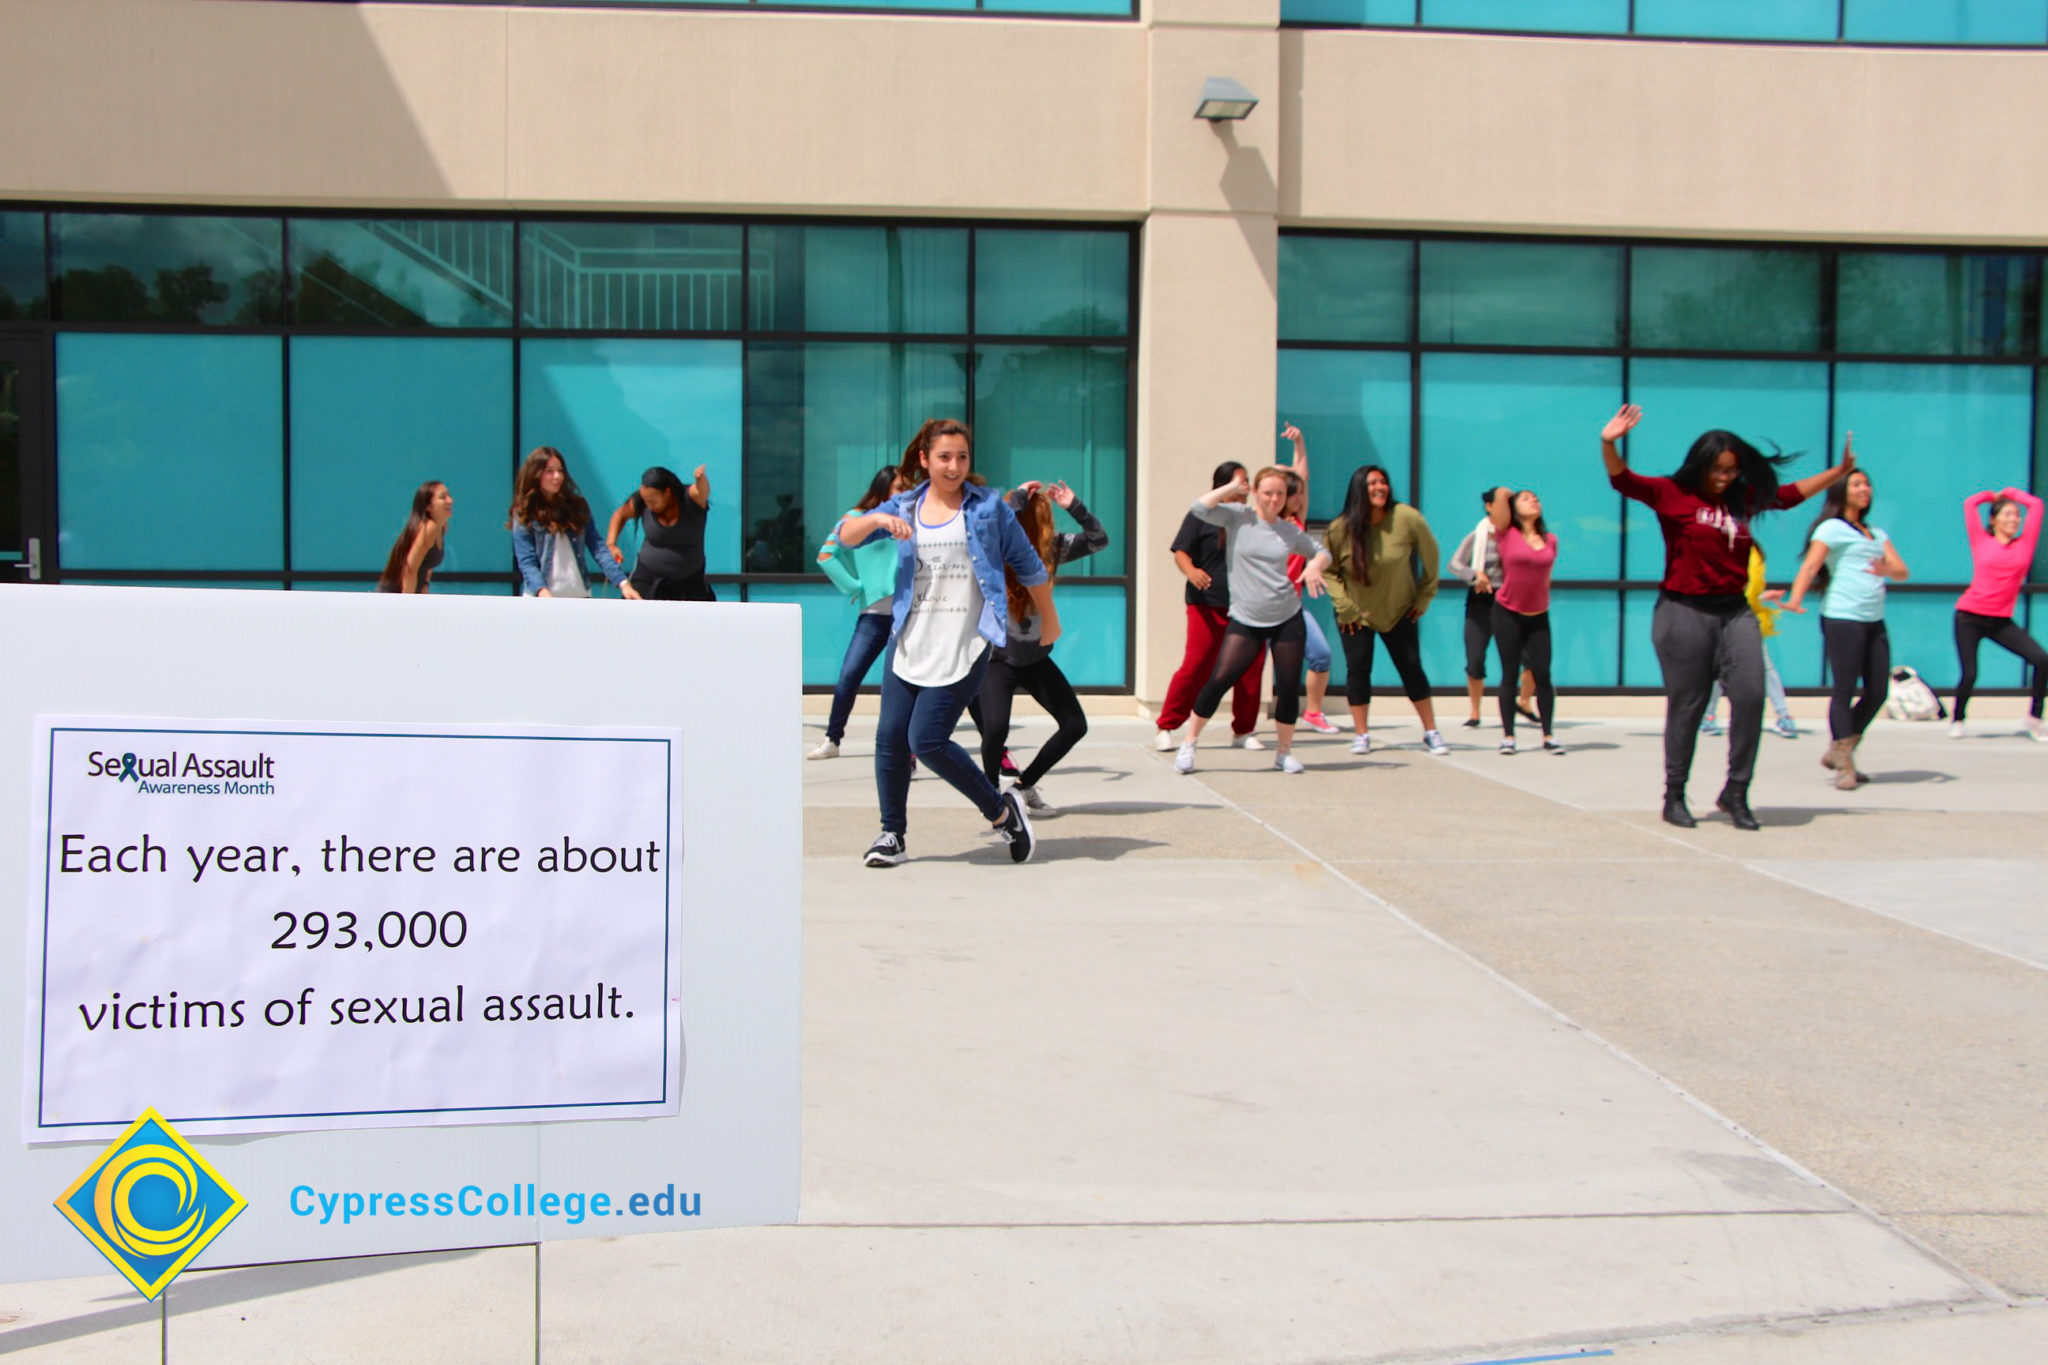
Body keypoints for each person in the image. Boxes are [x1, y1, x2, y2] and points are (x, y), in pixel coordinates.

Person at [1601, 405, 1853, 830]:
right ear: (1701, 465)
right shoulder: (1671, 493)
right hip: (1683, 612)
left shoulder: (1742, 500)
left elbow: (1790, 495)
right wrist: (1609, 442)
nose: (1725, 477)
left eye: (1732, 470)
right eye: (1718, 469)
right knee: (1688, 706)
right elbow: (1623, 480)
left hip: (1735, 612)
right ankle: (1675, 794)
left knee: (1752, 695)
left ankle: (1736, 791)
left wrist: (1840, 471)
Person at [834, 419, 1053, 868]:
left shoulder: (989, 507)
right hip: (911, 637)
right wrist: (876, 518)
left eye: (962, 457)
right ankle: (891, 834)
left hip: (966, 639)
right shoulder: (904, 506)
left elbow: (1028, 563)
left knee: (927, 739)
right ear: (924, 460)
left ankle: (1001, 811)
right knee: (890, 739)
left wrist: (1049, 618)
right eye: (944, 457)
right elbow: (844, 537)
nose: (954, 466)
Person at [1174, 466, 1326, 775]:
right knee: (1219, 679)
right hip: (1246, 619)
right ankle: (1189, 743)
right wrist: (1231, 485)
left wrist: (1314, 567)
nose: (1274, 500)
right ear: (1255, 492)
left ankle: (1284, 753)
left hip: (1286, 617)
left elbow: (1321, 551)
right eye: (1268, 493)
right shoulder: (1237, 516)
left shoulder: (1289, 530)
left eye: (1280, 494)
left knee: (1285, 687)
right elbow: (1199, 507)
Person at [975, 479, 1108, 812]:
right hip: (996, 658)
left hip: (1033, 658)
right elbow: (988, 524)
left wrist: (1074, 506)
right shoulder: (993, 548)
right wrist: (1018, 499)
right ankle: (991, 797)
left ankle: (1022, 787)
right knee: (994, 729)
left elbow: (1099, 539)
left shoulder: (1052, 548)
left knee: (1075, 725)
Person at [1780, 462, 1908, 788]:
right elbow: (1811, 565)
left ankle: (1841, 749)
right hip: (1842, 617)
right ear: (1842, 492)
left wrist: (1887, 570)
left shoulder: (1877, 534)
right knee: (1844, 688)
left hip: (1873, 619)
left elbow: (1901, 570)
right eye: (1856, 485)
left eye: (1867, 484)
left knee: (1878, 690)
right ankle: (1845, 766)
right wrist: (1795, 599)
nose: (1864, 489)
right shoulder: (1831, 529)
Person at [1305, 464, 1447, 756]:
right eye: (1372, 483)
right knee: (1358, 671)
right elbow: (1329, 571)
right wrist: (1344, 607)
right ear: (1359, 488)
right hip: (1354, 615)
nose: (1380, 487)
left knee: (1411, 669)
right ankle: (1362, 734)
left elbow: (1431, 556)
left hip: (1400, 611)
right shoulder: (1340, 528)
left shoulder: (1406, 517)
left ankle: (1431, 731)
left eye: (1383, 482)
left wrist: (1424, 597)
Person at [1154, 461, 1266, 753]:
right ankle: (1166, 726)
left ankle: (1244, 730)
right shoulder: (1202, 515)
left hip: (1247, 607)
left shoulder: (1250, 518)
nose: (1244, 490)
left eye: (1246, 484)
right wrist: (1191, 571)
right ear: (1222, 485)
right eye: (1238, 483)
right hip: (1206, 604)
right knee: (1197, 665)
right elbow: (1181, 551)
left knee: (1250, 669)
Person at [810, 466, 908, 760]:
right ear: (883, 489)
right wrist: (854, 586)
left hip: (907, 615)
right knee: (849, 676)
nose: (905, 492)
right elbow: (826, 554)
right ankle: (832, 739)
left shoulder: (911, 519)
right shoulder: (856, 519)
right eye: (899, 487)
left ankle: (904, 748)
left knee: (901, 685)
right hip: (874, 615)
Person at [1949, 485, 2047, 741]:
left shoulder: (2024, 545)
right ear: (1993, 520)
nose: (2014, 519)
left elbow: (2036, 506)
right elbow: (1971, 504)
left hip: (2000, 621)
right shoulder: (1982, 540)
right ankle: (1958, 718)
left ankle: (2034, 719)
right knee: (1970, 673)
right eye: (2007, 514)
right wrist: (1992, 497)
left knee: (2042, 659)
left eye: (2016, 515)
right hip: (1969, 617)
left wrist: (2013, 493)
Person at [1448, 486, 1536, 727]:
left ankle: (1525, 701)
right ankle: (1475, 712)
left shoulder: (1517, 533)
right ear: (1489, 506)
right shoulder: (1479, 534)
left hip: (1512, 600)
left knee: (1530, 657)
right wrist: (1474, 575)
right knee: (1475, 657)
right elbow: (1454, 564)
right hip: (1481, 601)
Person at [509, 446, 639, 600]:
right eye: (549, 471)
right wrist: (542, 592)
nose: (557, 476)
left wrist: (623, 582)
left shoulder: (577, 507)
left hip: (578, 596)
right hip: (541, 599)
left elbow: (598, 547)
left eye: (560, 470)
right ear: (535, 474)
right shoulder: (524, 513)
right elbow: (527, 562)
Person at [1698, 545, 1799, 743]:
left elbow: (1749, 591)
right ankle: (1708, 715)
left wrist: (1763, 596)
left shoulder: (1751, 552)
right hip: (1722, 615)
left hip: (1745, 616)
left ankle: (1783, 714)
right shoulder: (1723, 550)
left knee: (1763, 666)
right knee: (1720, 668)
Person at [1491, 489, 1563, 755]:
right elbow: (1498, 501)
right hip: (1507, 612)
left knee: (1542, 674)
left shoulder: (1550, 540)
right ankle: (1508, 736)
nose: (1534, 500)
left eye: (1536, 497)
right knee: (1510, 673)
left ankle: (1548, 735)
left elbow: (1546, 577)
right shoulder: (1505, 533)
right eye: (1526, 498)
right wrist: (1509, 494)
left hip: (1538, 615)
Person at [1279, 436, 1340, 736]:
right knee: (1243, 668)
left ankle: (1314, 712)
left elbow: (1302, 474)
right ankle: (1243, 725)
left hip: (1293, 606)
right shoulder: (1262, 523)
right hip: (1260, 606)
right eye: (1295, 495)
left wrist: (1301, 443)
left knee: (1320, 655)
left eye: (1302, 494)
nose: (1301, 499)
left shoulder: (1296, 521)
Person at [606, 464, 715, 602]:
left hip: (689, 578)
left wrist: (700, 479)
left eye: (653, 501)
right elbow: (620, 515)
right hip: (648, 574)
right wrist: (611, 544)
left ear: (667, 493)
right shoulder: (642, 502)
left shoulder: (689, 500)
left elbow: (701, 491)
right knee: (632, 609)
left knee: (696, 619)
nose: (649, 506)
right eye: (646, 502)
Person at [376, 480, 451, 594]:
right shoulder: (428, 529)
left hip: (414, 592)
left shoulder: (442, 526)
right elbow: (409, 569)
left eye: (449, 495)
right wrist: (408, 604)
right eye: (443, 497)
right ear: (428, 506)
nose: (450, 501)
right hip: (396, 595)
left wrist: (425, 585)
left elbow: (428, 562)